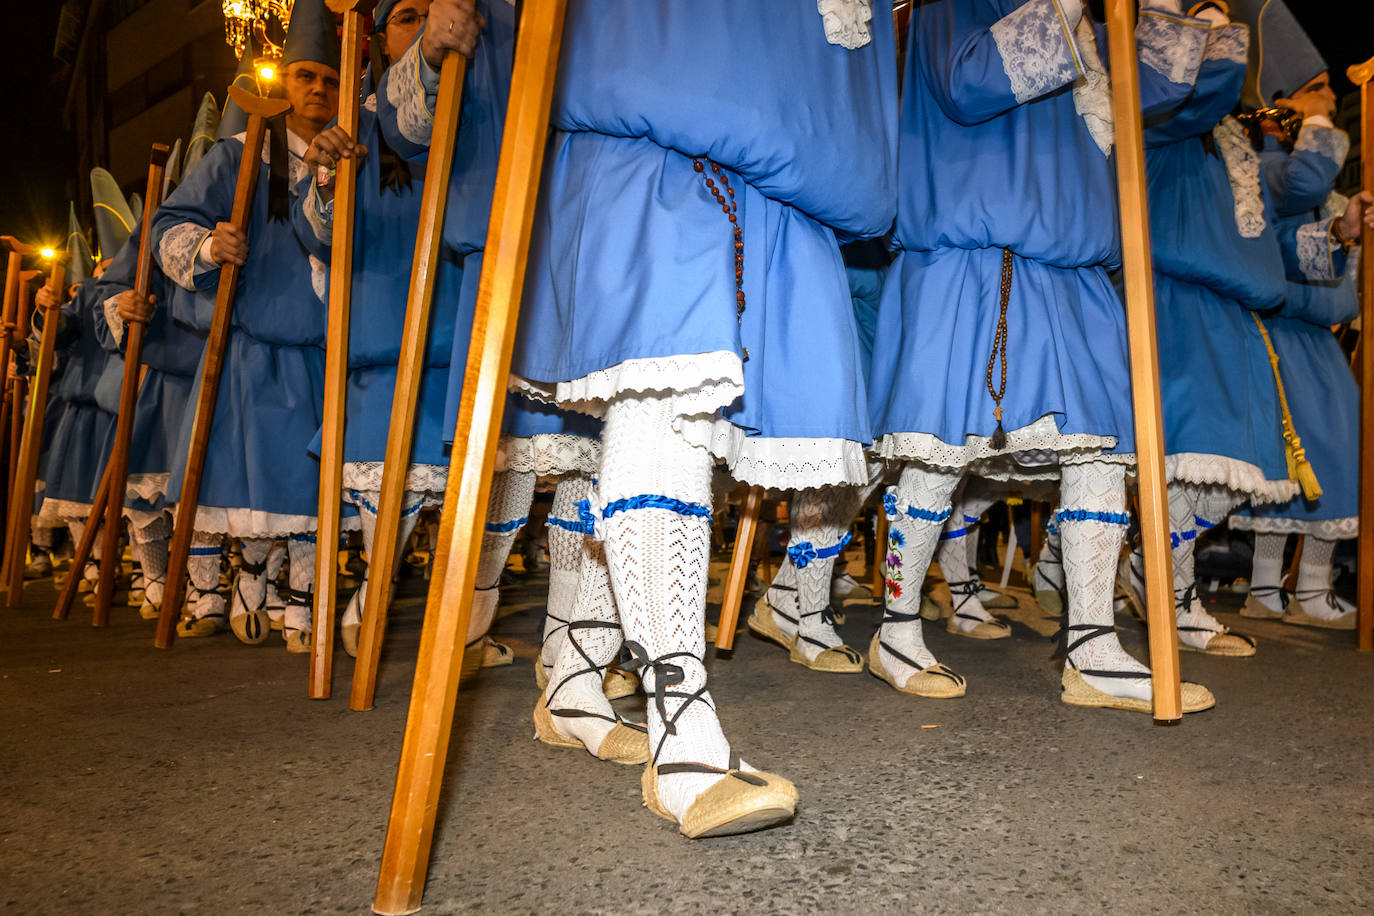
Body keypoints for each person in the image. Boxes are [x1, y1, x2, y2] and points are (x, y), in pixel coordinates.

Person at [469, 0, 895, 833]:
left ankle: (572, 679)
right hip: (658, 120)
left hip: (787, 161)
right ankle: (680, 734)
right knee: (658, 407)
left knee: (626, 437)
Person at [867, 0, 1218, 713]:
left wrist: (1162, 9)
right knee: (939, 450)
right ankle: (896, 627)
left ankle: (1092, 646)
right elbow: (966, 82)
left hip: (1076, 267)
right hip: (975, 256)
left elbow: (1160, 91)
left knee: (1097, 454)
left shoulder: (1088, 19)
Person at [153, 0, 341, 653]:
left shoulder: (352, 153)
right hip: (248, 347)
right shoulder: (238, 154)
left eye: (331, 79)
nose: (318, 89)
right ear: (284, 81)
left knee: (310, 488)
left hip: (325, 347)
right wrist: (209, 247)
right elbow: (165, 228)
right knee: (253, 481)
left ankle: (303, 602)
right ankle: (244, 583)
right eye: (306, 75)